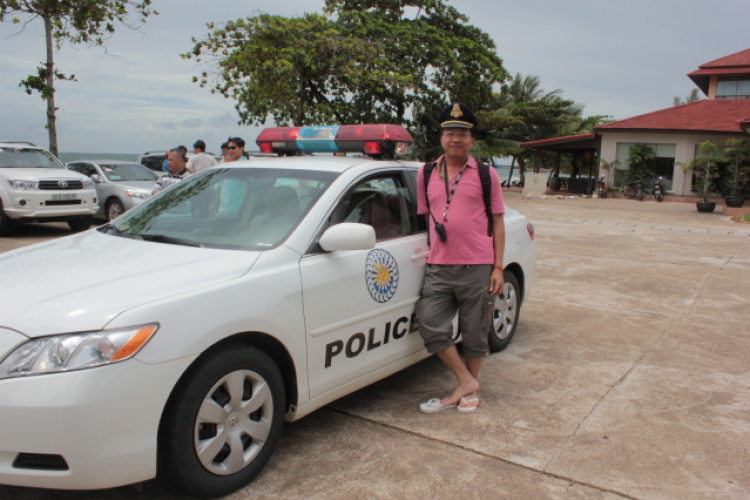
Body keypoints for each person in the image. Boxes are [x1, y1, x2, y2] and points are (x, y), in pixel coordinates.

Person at [416, 103, 506, 414]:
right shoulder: (425, 172)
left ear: (472, 140)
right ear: (441, 137)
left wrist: (498, 267)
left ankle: (469, 389)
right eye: (451, 132)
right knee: (429, 322)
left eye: (463, 133)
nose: (457, 138)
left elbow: (497, 222)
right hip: (438, 264)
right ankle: (466, 381)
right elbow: (425, 217)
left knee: (475, 329)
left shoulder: (486, 174)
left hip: (477, 265)